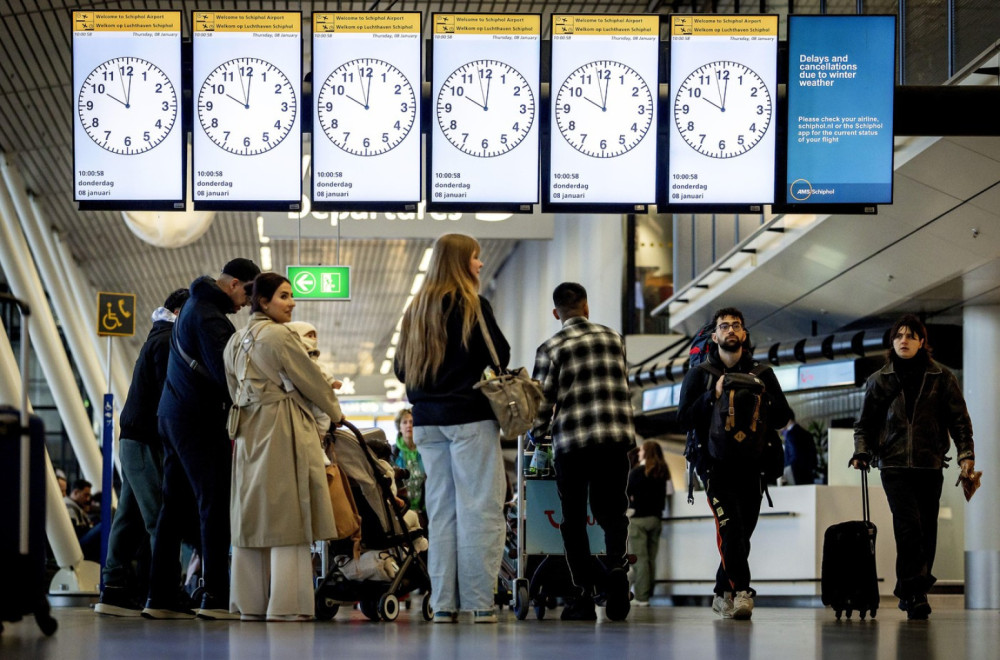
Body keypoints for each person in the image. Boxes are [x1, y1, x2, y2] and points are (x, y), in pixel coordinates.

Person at [393, 233, 508, 624]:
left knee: (441, 513)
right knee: (480, 510)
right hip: (470, 420)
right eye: (476, 258)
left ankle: (443, 603)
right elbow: (500, 355)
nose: (479, 264)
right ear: (461, 261)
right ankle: (479, 603)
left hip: (427, 424)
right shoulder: (474, 305)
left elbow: (400, 369)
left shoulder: (416, 310)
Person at [223, 273, 344, 622]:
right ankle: (286, 605)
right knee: (288, 516)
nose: (292, 303)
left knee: (252, 517)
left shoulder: (235, 341)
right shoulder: (280, 337)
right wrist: (334, 412)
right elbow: (311, 380)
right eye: (284, 296)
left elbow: (232, 387)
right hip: (283, 429)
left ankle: (250, 604)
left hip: (247, 430)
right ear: (263, 302)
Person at [144, 258, 261, 620]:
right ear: (234, 284)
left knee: (173, 508)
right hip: (197, 420)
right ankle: (215, 594)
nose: (246, 304)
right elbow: (228, 374)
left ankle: (160, 596)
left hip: (173, 416)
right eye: (248, 294)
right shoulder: (210, 316)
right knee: (214, 503)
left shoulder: (193, 306)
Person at [852, 314, 976, 620]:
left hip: (930, 463)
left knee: (927, 529)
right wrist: (862, 452)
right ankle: (916, 592)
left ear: (922, 342)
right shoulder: (879, 380)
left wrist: (966, 455)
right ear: (892, 342)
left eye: (910, 336)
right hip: (893, 464)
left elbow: (959, 421)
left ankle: (910, 590)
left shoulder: (942, 377)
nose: (903, 341)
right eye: (898, 336)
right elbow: (864, 425)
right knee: (908, 526)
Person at [677, 307, 791, 620]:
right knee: (731, 529)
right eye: (724, 326)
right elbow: (683, 419)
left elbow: (783, 417)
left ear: (743, 335)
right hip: (713, 465)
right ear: (714, 336)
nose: (730, 330)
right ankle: (742, 592)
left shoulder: (763, 374)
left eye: (736, 325)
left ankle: (719, 592)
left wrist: (761, 400)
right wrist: (711, 396)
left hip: (754, 466)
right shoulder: (699, 375)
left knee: (742, 533)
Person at [531, 282, 635, 622]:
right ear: (587, 307)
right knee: (613, 513)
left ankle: (583, 597)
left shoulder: (551, 347)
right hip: (616, 440)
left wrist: (539, 436)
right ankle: (617, 573)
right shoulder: (614, 339)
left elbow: (541, 403)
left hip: (573, 445)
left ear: (555, 313)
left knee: (573, 521)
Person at [96, 289, 191, 616]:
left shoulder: (160, 337)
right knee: (159, 519)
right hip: (147, 439)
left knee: (130, 517)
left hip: (136, 438)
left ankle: (114, 589)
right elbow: (174, 395)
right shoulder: (168, 342)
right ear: (180, 311)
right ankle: (166, 593)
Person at [627, 440, 671, 607]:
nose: (638, 452)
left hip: (638, 519)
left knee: (640, 560)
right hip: (656, 519)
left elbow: (626, 492)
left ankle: (641, 597)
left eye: (641, 450)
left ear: (646, 453)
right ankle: (648, 594)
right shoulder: (662, 471)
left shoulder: (637, 472)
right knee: (651, 559)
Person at [391, 408, 426, 519]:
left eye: (412, 422)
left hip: (424, 511)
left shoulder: (425, 450)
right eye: (405, 422)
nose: (408, 425)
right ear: (399, 427)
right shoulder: (393, 452)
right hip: (402, 511)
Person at [64, 479, 101, 561]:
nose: (87, 499)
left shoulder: (77, 507)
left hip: (80, 540)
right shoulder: (69, 507)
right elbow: (75, 531)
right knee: (103, 526)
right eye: (86, 495)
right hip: (76, 545)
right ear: (76, 492)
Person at [782, 413, 818, 485]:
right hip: (809, 477)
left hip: (795, 478)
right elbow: (814, 459)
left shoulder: (790, 434)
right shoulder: (807, 434)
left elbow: (793, 457)